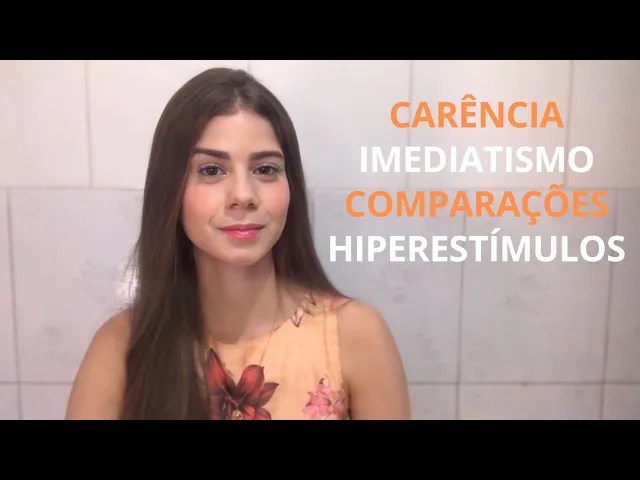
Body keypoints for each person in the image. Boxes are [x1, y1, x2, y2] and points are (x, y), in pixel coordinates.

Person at [65, 67, 410, 420]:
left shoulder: (354, 336)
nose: (243, 195)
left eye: (265, 169)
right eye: (211, 170)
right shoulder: (121, 348)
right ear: (171, 190)